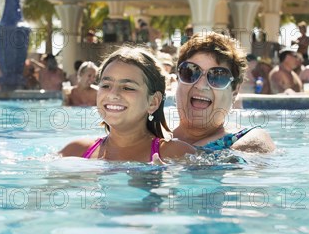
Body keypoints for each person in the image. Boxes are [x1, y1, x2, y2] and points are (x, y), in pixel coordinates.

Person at [60, 45, 195, 162]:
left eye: (128, 88)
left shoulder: (178, 155)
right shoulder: (74, 152)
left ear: (153, 102)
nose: (113, 94)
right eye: (106, 85)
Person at [172, 32, 275, 153]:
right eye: (189, 72)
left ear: (234, 92)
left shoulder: (249, 139)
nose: (200, 85)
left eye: (218, 76)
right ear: (177, 80)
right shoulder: (153, 138)